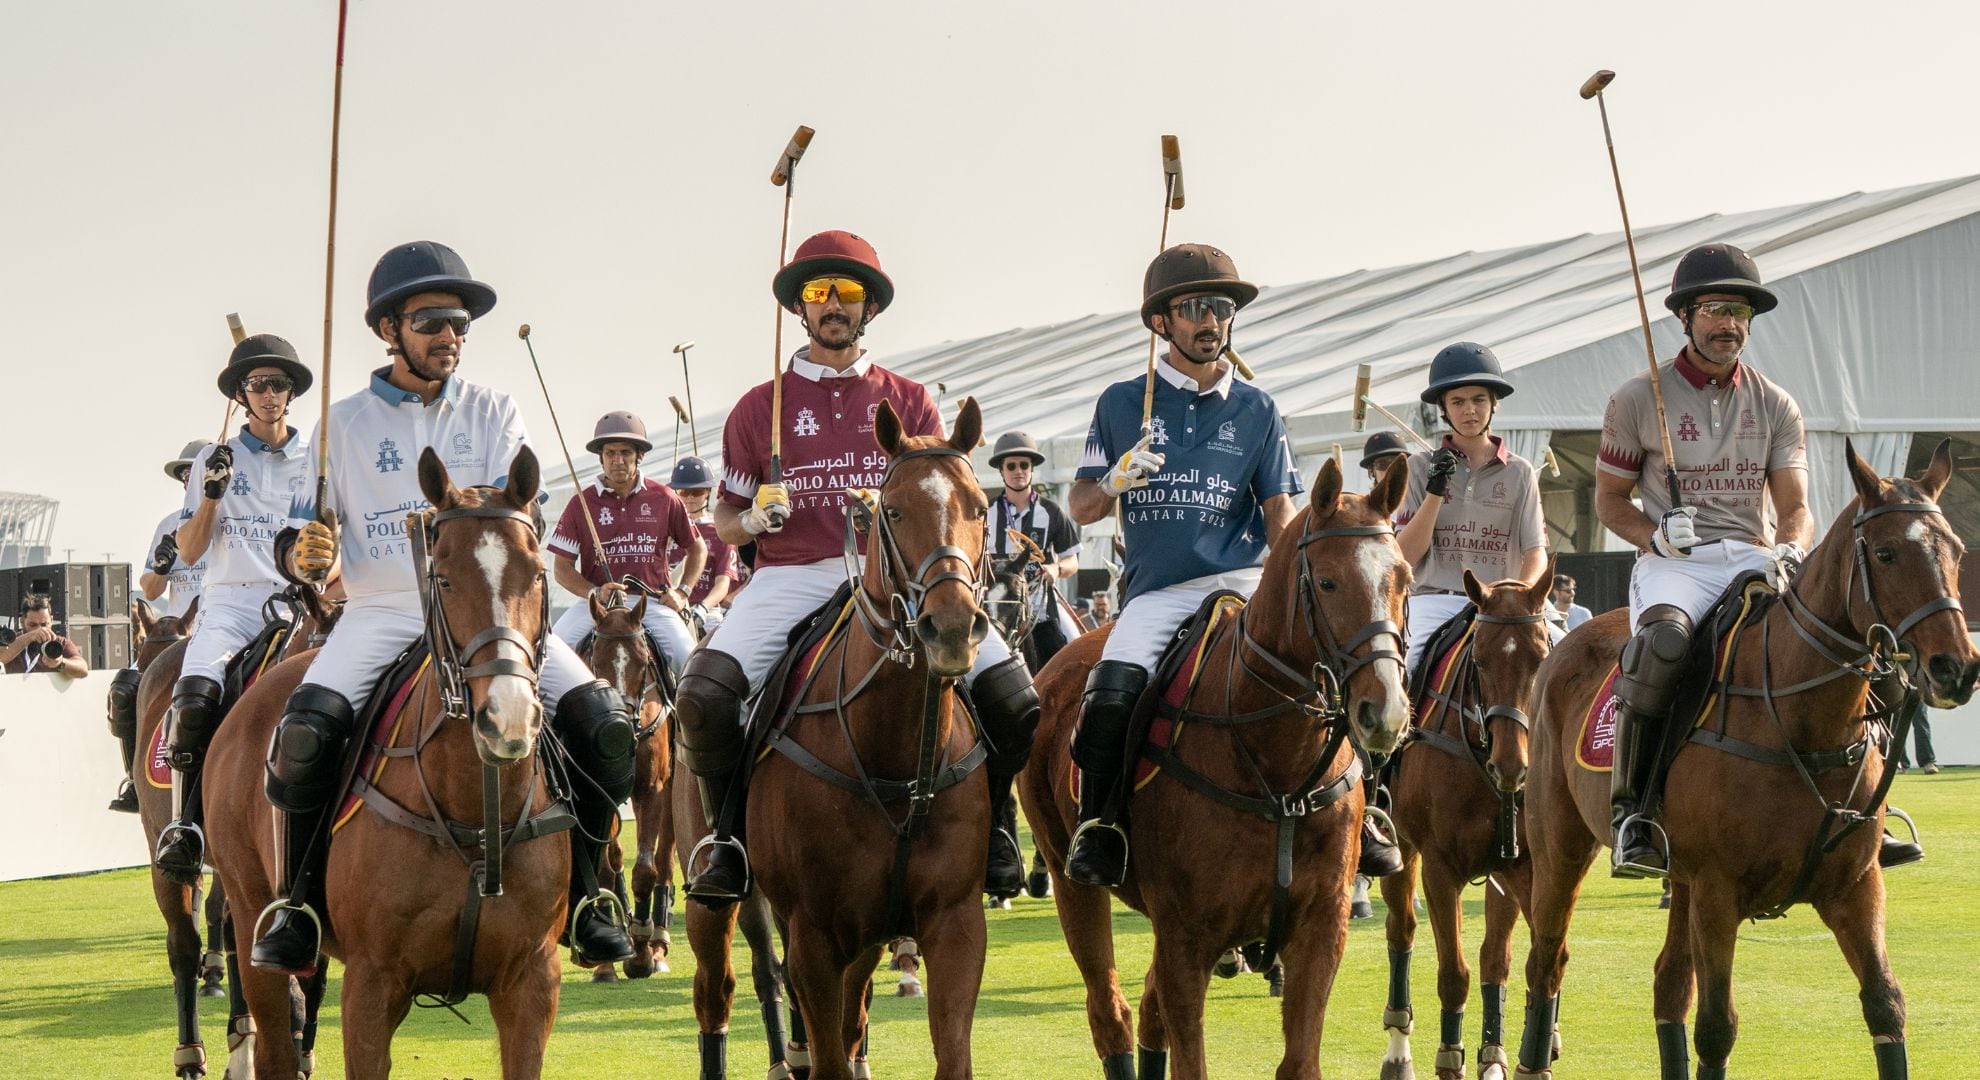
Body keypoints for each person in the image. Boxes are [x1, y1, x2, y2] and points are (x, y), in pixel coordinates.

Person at [250, 240, 636, 973]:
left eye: (459, 322)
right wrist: (307, 553)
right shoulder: (340, 426)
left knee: (605, 725)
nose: (450, 336)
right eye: (431, 321)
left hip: (488, 615)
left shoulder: (494, 410)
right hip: (384, 608)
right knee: (302, 733)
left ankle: (590, 894)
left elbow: (519, 512)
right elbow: (300, 531)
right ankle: (296, 903)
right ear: (388, 330)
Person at [675, 230, 1039, 905]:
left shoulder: (910, 399)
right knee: (703, 696)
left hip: (896, 582)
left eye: (848, 293)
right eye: (819, 292)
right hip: (791, 576)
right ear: (800, 308)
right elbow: (724, 520)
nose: (833, 304)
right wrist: (753, 519)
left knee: (1016, 699)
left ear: (870, 308)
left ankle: (998, 829)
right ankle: (727, 840)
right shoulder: (761, 406)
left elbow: (945, 504)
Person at [1061, 243, 1304, 887]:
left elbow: (1279, 510)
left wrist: (1297, 579)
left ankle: (1363, 817)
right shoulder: (1121, 403)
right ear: (1159, 322)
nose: (1210, 321)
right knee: (1112, 689)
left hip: (1245, 581)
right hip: (1160, 591)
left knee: (1329, 672)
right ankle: (1101, 823)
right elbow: (1081, 506)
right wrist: (1114, 479)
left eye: (1220, 308)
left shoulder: (1258, 408)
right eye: (1193, 308)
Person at [1595, 243, 1822, 878]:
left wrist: (1791, 549)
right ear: (1686, 316)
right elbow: (1610, 502)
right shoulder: (1639, 398)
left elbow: (1796, 504)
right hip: (1678, 564)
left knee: (1837, 637)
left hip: (1755, 554)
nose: (1729, 324)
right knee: (1663, 645)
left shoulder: (1776, 403)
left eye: (1741, 311)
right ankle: (1634, 813)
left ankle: (1858, 810)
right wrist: (1654, 534)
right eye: (1715, 309)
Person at [153, 335, 314, 881]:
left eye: (279, 384)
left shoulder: (313, 458)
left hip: (295, 603)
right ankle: (186, 826)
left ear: (290, 393)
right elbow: (193, 550)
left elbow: (327, 546)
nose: (270, 394)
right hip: (230, 605)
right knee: (195, 696)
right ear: (243, 395)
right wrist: (213, 496)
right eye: (259, 384)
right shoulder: (211, 460)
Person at [1397, 342, 1551, 677]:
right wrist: (1435, 492)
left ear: (1494, 404)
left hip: (1504, 604)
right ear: (1443, 408)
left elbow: (1535, 551)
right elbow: (1405, 556)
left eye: (1479, 399)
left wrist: (1520, 596)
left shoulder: (1521, 471)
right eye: (1458, 401)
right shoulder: (1419, 467)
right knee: (1404, 675)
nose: (1470, 410)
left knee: (1568, 665)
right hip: (1435, 601)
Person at [546, 411, 705, 679]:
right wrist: (593, 592)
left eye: (625, 453)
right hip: (598, 608)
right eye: (610, 453)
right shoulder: (580, 503)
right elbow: (561, 569)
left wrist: (683, 592)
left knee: (689, 662)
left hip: (650, 604)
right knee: (551, 659)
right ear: (601, 457)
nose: (617, 460)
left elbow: (697, 549)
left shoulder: (664, 498)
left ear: (639, 456)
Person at [110, 440, 214, 813]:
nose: (190, 478)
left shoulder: (235, 517)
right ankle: (135, 781)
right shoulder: (169, 526)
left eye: (196, 472)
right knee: (124, 688)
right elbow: (151, 589)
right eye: (185, 474)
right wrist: (162, 565)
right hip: (175, 639)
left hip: (223, 632)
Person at [985, 430, 1083, 670]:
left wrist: (1056, 568)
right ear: (1001, 470)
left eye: (1024, 465)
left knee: (1078, 650)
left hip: (1041, 610)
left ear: (1031, 469)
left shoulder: (1051, 512)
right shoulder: (986, 514)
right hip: (998, 612)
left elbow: (1072, 561)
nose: (1018, 471)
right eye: (1011, 466)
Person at [669, 456, 737, 636]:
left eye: (697, 492)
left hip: (707, 611)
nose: (690, 498)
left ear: (708, 492)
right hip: (670, 605)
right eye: (684, 492)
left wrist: (704, 607)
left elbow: (722, 583)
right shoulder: (666, 529)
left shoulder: (720, 532)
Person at [2, 595, 86, 677]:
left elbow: (83, 669)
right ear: (22, 622)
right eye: (33, 625)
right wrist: (31, 636)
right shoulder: (13, 641)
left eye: (44, 624)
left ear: (51, 620)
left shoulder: (59, 642)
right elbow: (2, 657)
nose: (40, 629)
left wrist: (60, 663)